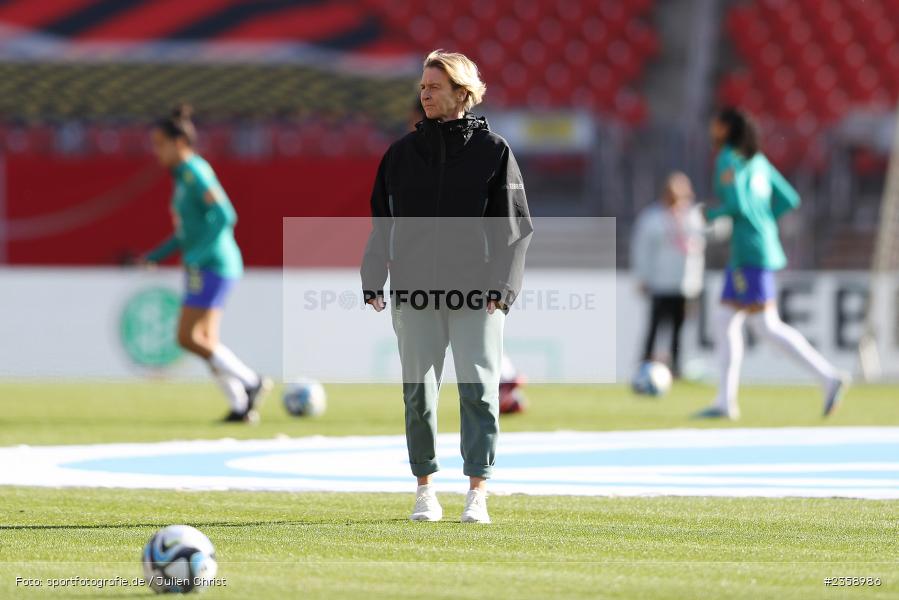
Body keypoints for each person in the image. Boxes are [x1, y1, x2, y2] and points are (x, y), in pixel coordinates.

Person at [361, 50, 533, 523]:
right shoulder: (399, 155)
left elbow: (516, 228)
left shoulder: (495, 152)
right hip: (414, 291)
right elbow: (382, 223)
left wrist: (504, 286)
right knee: (419, 394)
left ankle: (477, 492)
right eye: (422, 85)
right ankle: (425, 490)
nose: (425, 93)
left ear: (463, 94)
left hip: (477, 294)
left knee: (478, 392)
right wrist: (373, 276)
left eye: (434, 86)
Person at [697, 107, 847, 420]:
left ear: (727, 129)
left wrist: (709, 215)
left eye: (716, 125)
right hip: (760, 246)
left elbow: (735, 204)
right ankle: (725, 401)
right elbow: (788, 198)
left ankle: (828, 376)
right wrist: (764, 221)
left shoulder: (727, 158)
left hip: (748, 252)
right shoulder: (759, 161)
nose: (713, 130)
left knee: (764, 325)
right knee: (726, 319)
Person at [142, 105, 271, 423]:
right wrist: (155, 256)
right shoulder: (182, 176)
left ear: (179, 143)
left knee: (187, 337)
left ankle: (251, 382)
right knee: (206, 341)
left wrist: (198, 256)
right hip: (208, 263)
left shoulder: (194, 172)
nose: (156, 151)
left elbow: (226, 215)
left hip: (212, 264)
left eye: (160, 144)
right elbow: (186, 233)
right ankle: (241, 406)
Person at [631, 172, 705, 378]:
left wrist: (696, 282)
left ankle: (676, 368)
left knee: (678, 330)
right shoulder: (653, 217)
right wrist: (642, 276)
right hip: (660, 282)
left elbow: (698, 251)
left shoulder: (693, 217)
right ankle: (644, 365)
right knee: (654, 327)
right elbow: (642, 249)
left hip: (684, 284)